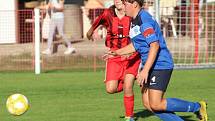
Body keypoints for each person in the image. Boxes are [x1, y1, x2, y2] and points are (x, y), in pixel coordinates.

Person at [108, 0, 208, 120]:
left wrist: (145, 70)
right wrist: (117, 53)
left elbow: (154, 45)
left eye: (125, 4)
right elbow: (136, 45)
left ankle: (196, 107)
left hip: (160, 64)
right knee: (149, 105)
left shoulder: (144, 19)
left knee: (156, 103)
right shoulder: (134, 20)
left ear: (134, 4)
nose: (123, 7)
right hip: (149, 65)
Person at [86, 0, 140, 120]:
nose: (117, 1)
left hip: (131, 56)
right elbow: (95, 24)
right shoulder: (108, 14)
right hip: (114, 56)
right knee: (110, 89)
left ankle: (129, 116)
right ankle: (127, 84)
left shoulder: (132, 14)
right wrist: (89, 33)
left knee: (128, 86)